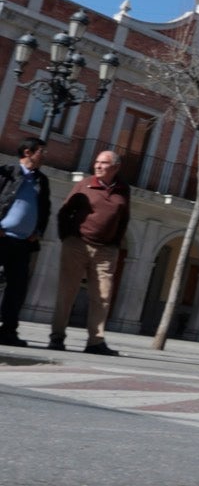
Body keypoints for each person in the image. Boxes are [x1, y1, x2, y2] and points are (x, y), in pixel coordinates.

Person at [49, 150, 131, 356]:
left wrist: (115, 244)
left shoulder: (123, 190)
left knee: (102, 296)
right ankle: (57, 337)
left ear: (115, 167)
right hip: (77, 245)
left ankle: (95, 341)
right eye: (96, 162)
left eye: (103, 163)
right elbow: (64, 212)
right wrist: (67, 237)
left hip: (106, 250)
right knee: (67, 292)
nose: (98, 166)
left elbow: (124, 218)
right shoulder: (84, 185)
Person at [0, 139, 52, 347]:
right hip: (2, 238)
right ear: (28, 152)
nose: (44, 155)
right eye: (41, 152)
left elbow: (45, 209)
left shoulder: (42, 181)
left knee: (17, 288)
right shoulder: (7, 173)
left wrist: (38, 231)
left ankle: (8, 331)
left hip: (23, 243)